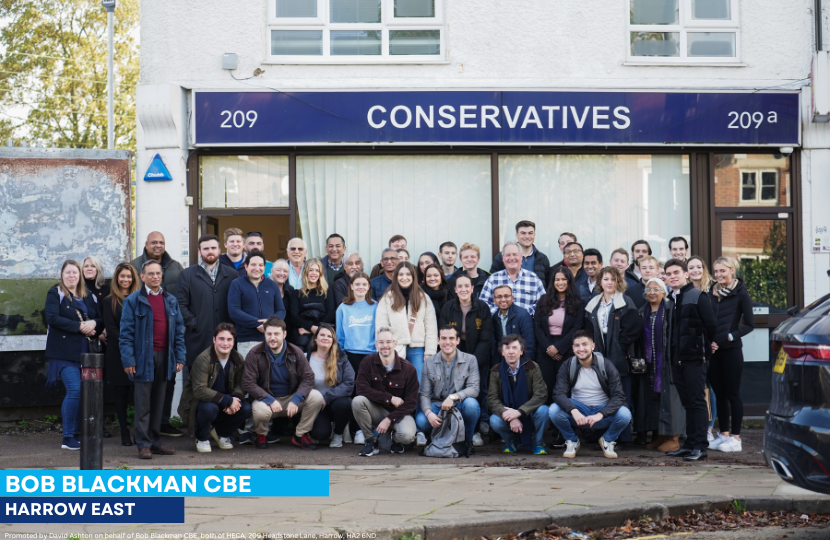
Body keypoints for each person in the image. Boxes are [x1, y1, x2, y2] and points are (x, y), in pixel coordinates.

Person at [120, 260, 186, 459]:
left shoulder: (171, 300)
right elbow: (125, 334)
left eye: (158, 273)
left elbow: (179, 333)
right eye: (151, 274)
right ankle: (143, 444)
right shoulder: (133, 301)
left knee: (159, 403)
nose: (155, 276)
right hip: (143, 358)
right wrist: (129, 360)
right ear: (142, 277)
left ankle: (155, 442)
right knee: (143, 404)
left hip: (166, 357)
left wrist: (180, 357)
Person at [44, 260, 104, 451]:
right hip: (63, 352)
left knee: (84, 393)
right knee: (75, 390)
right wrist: (80, 326)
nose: (71, 276)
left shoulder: (89, 296)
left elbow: (101, 319)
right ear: (62, 275)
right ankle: (68, 437)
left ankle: (77, 434)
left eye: (74, 273)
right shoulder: (55, 293)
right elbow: (51, 318)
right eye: (68, 272)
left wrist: (94, 323)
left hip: (86, 353)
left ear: (79, 276)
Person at [663, 258, 717, 462]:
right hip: (677, 359)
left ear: (686, 274)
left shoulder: (697, 295)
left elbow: (711, 325)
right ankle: (689, 445)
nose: (672, 276)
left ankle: (700, 447)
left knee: (696, 401)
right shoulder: (671, 299)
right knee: (687, 403)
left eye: (676, 272)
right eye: (668, 273)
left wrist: (701, 346)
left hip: (694, 358)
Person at [242, 316, 323, 450]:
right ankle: (261, 434)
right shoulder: (255, 353)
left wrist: (297, 398)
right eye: (269, 334)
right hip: (267, 401)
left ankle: (300, 434)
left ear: (284, 334)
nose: (272, 337)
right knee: (260, 410)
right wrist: (269, 399)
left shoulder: (295, 352)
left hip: (291, 399)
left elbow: (308, 378)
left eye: (276, 334)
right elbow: (248, 383)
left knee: (316, 396)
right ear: (264, 334)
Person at [549, 330, 631, 459]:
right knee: (554, 410)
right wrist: (574, 411)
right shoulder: (568, 365)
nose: (581, 349)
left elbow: (619, 396)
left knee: (625, 414)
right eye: (577, 345)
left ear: (593, 346)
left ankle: (608, 441)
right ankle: (572, 441)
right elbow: (558, 393)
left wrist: (600, 414)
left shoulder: (606, 365)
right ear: (573, 348)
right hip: (578, 411)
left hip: (601, 411)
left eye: (584, 344)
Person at [583, 267, 640, 444]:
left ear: (618, 282)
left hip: (619, 354)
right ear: (600, 282)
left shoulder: (626, 301)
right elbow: (588, 329)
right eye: (606, 279)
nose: (609, 283)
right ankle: (603, 436)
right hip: (599, 351)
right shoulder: (593, 303)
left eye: (613, 279)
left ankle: (622, 438)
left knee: (622, 396)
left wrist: (621, 347)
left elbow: (634, 328)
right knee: (602, 396)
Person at [438, 274, 494, 446]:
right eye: (459, 286)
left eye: (466, 286)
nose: (463, 289)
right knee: (454, 391)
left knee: (478, 393)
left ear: (472, 289)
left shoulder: (482, 308)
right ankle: (451, 430)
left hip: (478, 357)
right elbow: (444, 334)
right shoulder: (448, 307)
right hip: (453, 357)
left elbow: (486, 337)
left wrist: (473, 361)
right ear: (455, 290)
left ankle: (475, 430)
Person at [178, 323, 251, 453]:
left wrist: (235, 398)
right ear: (214, 340)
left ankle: (221, 433)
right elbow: (199, 390)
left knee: (246, 408)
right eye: (221, 339)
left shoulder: (237, 358)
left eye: (229, 339)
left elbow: (240, 384)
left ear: (234, 341)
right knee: (209, 408)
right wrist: (227, 401)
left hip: (224, 403)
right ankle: (201, 438)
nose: (225, 343)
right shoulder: (203, 359)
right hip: (201, 405)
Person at [707, 257, 754, 454]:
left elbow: (750, 325)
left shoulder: (741, 294)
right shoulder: (710, 292)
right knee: (719, 394)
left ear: (732, 270)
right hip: (713, 352)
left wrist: (730, 336)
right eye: (716, 271)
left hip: (731, 351)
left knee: (733, 395)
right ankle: (723, 435)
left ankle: (736, 438)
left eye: (722, 271)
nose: (718, 275)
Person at [634, 278, 684, 453]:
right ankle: (660, 436)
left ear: (664, 292)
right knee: (654, 399)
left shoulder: (671, 310)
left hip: (668, 362)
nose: (652, 292)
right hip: (650, 363)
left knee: (670, 400)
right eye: (649, 289)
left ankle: (673, 438)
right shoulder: (642, 312)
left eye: (656, 289)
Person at [352, 327, 419, 456]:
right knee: (358, 401)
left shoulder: (409, 369)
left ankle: (396, 440)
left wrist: (389, 419)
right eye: (381, 342)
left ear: (395, 343)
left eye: (388, 342)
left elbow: (411, 403)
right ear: (376, 344)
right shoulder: (367, 362)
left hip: (400, 415)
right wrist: (389, 398)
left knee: (407, 436)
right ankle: (371, 441)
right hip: (377, 412)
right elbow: (361, 388)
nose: (385, 346)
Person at [175, 234, 238, 370]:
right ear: (199, 251)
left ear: (219, 250)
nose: (210, 251)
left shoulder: (232, 274)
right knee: (197, 385)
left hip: (225, 339)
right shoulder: (187, 275)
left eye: (213, 248)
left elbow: (236, 303)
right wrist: (194, 322)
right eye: (206, 248)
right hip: (198, 338)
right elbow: (180, 304)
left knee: (224, 384)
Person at [416, 326, 480, 448]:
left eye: (451, 338)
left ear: (458, 340)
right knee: (422, 421)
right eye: (443, 338)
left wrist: (454, 397)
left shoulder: (470, 360)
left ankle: (467, 441)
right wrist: (429, 413)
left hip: (459, 405)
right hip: (437, 406)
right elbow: (424, 394)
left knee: (472, 405)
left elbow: (474, 388)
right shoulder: (429, 362)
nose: (447, 342)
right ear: (438, 340)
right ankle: (436, 441)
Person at [375, 262, 438, 382]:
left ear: (413, 277)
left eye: (408, 274)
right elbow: (381, 326)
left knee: (418, 384)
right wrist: (384, 348)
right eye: (401, 274)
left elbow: (431, 327)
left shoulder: (423, 298)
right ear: (396, 277)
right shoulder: (387, 298)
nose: (404, 278)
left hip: (418, 349)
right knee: (395, 383)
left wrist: (430, 351)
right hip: (395, 348)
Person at [487, 334, 549, 455]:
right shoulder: (496, 371)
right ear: (502, 352)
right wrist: (511, 416)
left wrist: (520, 411)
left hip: (529, 413)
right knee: (494, 420)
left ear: (521, 351)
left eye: (514, 348)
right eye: (507, 348)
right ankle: (511, 442)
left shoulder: (532, 367)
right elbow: (492, 399)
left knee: (544, 411)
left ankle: (538, 442)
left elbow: (541, 394)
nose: (511, 352)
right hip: (508, 415)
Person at [336, 272, 377, 444]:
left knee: (369, 392)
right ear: (351, 287)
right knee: (354, 393)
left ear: (368, 287)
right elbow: (339, 336)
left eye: (364, 284)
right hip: (351, 355)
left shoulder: (376, 306)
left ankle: (368, 429)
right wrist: (343, 355)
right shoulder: (343, 308)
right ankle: (355, 430)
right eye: (357, 284)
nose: (360, 287)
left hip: (371, 355)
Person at [102, 262, 140, 447]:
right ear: (117, 278)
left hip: (140, 352)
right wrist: (129, 343)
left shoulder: (141, 299)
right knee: (121, 393)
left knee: (140, 394)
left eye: (129, 276)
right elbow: (110, 328)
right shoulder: (109, 301)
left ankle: (140, 432)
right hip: (117, 352)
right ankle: (124, 431)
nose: (126, 279)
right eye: (122, 276)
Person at [534, 267, 585, 405]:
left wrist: (559, 347)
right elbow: (537, 326)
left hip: (567, 350)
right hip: (545, 348)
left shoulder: (578, 303)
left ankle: (564, 418)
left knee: (564, 387)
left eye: (563, 279)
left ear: (569, 281)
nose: (560, 282)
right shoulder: (544, 300)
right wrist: (549, 348)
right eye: (557, 279)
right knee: (546, 386)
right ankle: (547, 420)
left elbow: (577, 327)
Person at [228, 250, 287, 359]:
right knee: (248, 375)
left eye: (260, 265)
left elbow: (281, 311)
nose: (257, 268)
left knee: (271, 375)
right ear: (246, 266)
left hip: (271, 340)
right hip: (247, 342)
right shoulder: (237, 284)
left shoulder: (272, 285)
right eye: (253, 264)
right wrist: (257, 324)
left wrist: (269, 324)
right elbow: (234, 311)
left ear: (264, 267)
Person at [306, 323, 355, 448]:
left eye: (329, 336)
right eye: (322, 334)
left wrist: (326, 398)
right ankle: (324, 427)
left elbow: (349, 383)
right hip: (315, 404)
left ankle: (338, 433)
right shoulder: (306, 358)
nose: (325, 338)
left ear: (333, 341)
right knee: (320, 434)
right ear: (315, 338)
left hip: (333, 400)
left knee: (344, 404)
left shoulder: (341, 359)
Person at [687, 254, 717, 441]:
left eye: (698, 267)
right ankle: (697, 429)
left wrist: (714, 341)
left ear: (703, 269)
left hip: (711, 345)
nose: (695, 270)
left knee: (710, 388)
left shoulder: (713, 289)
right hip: (693, 346)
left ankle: (709, 428)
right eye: (691, 267)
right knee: (699, 388)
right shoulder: (685, 290)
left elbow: (716, 319)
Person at [480, 241, 546, 316]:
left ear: (521, 257)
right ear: (503, 258)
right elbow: (483, 303)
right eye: (508, 255)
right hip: (499, 325)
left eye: (515, 254)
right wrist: (503, 314)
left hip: (527, 325)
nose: (512, 258)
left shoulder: (533, 279)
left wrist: (523, 315)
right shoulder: (493, 279)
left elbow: (543, 303)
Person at [289, 257, 336, 351]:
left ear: (320, 274)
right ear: (306, 272)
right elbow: (294, 316)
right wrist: (312, 328)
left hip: (321, 338)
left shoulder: (327, 292)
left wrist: (312, 329)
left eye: (317, 270)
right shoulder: (296, 293)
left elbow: (331, 314)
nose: (314, 273)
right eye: (311, 270)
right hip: (300, 339)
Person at [490, 220, 551, 287]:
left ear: (534, 235)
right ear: (517, 235)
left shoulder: (542, 258)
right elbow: (492, 281)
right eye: (523, 233)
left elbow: (547, 286)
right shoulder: (503, 257)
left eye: (530, 233)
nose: (527, 236)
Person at [491, 284, 536, 368]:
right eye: (499, 296)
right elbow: (496, 347)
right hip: (503, 364)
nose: (503, 299)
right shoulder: (494, 317)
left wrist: (523, 367)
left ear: (512, 298)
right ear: (494, 300)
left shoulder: (523, 315)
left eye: (506, 296)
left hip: (522, 364)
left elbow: (529, 346)